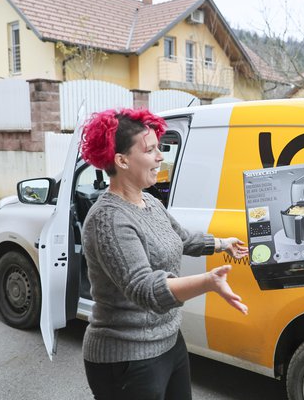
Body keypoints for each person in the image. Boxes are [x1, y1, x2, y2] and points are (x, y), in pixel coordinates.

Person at [78, 108, 249, 400]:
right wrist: (207, 282)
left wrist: (222, 244)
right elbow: (145, 289)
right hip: (126, 357)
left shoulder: (150, 202)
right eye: (151, 150)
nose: (160, 157)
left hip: (169, 342)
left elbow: (179, 238)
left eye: (160, 148)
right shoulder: (108, 220)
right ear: (121, 160)